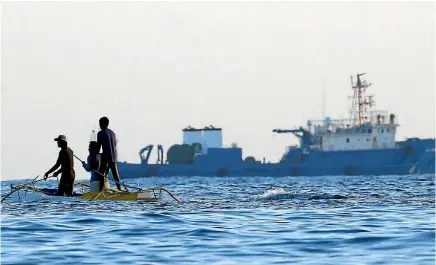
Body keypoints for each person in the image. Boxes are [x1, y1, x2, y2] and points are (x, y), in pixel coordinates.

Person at [96, 116, 123, 191]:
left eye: (100, 123)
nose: (99, 125)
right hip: (113, 156)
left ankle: (100, 191)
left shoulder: (100, 133)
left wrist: (95, 155)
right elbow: (114, 144)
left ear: (103, 124)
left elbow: (98, 147)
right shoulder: (112, 133)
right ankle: (120, 189)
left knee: (101, 174)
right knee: (115, 175)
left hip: (106, 156)